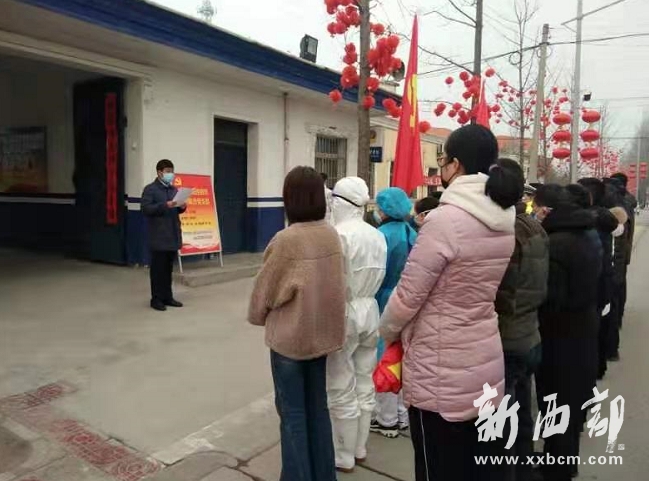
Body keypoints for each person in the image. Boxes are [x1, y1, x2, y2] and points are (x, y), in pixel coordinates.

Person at [380, 125, 519, 480]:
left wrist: (387, 331)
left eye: (442, 161)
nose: (440, 168)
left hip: (440, 368)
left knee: (436, 467)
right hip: (484, 355)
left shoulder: (445, 220)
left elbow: (408, 295)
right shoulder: (504, 217)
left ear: (455, 165)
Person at [248, 166, 345, 481]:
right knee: (318, 409)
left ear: (289, 199)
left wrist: (258, 315)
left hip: (290, 341)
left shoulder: (286, 240)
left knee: (292, 416)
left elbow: (266, 291)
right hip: (322, 337)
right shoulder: (331, 234)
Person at [533, 184, 602, 481]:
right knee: (570, 402)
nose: (534, 213)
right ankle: (564, 461)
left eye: (536, 208)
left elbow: (552, 299)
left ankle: (556, 468)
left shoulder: (556, 243)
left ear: (547, 209)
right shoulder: (587, 232)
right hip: (583, 328)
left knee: (555, 401)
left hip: (559, 335)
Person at [327, 177, 387, 473]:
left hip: (346, 311)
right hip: (370, 309)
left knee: (340, 384)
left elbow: (334, 283)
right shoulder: (376, 235)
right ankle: (360, 447)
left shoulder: (339, 235)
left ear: (340, 203)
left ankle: (343, 454)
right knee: (364, 380)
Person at [494, 159, 548, 481]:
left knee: (504, 419)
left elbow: (503, 292)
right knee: (522, 409)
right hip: (529, 333)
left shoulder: (508, 231)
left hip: (508, 336)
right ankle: (524, 469)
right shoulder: (534, 227)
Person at [371, 187, 417, 439]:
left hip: (384, 300)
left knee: (384, 359)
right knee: (401, 357)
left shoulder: (381, 236)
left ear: (385, 209)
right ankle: (401, 415)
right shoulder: (411, 233)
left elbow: (377, 274)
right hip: (407, 299)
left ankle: (386, 419)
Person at [577, 178, 619, 379]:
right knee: (601, 323)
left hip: (590, 280)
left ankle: (589, 369)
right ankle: (599, 366)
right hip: (605, 278)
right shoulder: (606, 217)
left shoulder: (585, 220)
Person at [141, 159, 186, 311]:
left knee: (168, 269)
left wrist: (182, 207)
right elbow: (146, 209)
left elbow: (177, 209)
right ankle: (156, 299)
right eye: (167, 171)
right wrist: (164, 205)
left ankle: (168, 297)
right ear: (159, 172)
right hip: (158, 236)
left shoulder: (173, 190)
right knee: (157, 270)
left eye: (172, 172)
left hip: (172, 234)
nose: (170, 174)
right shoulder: (150, 190)